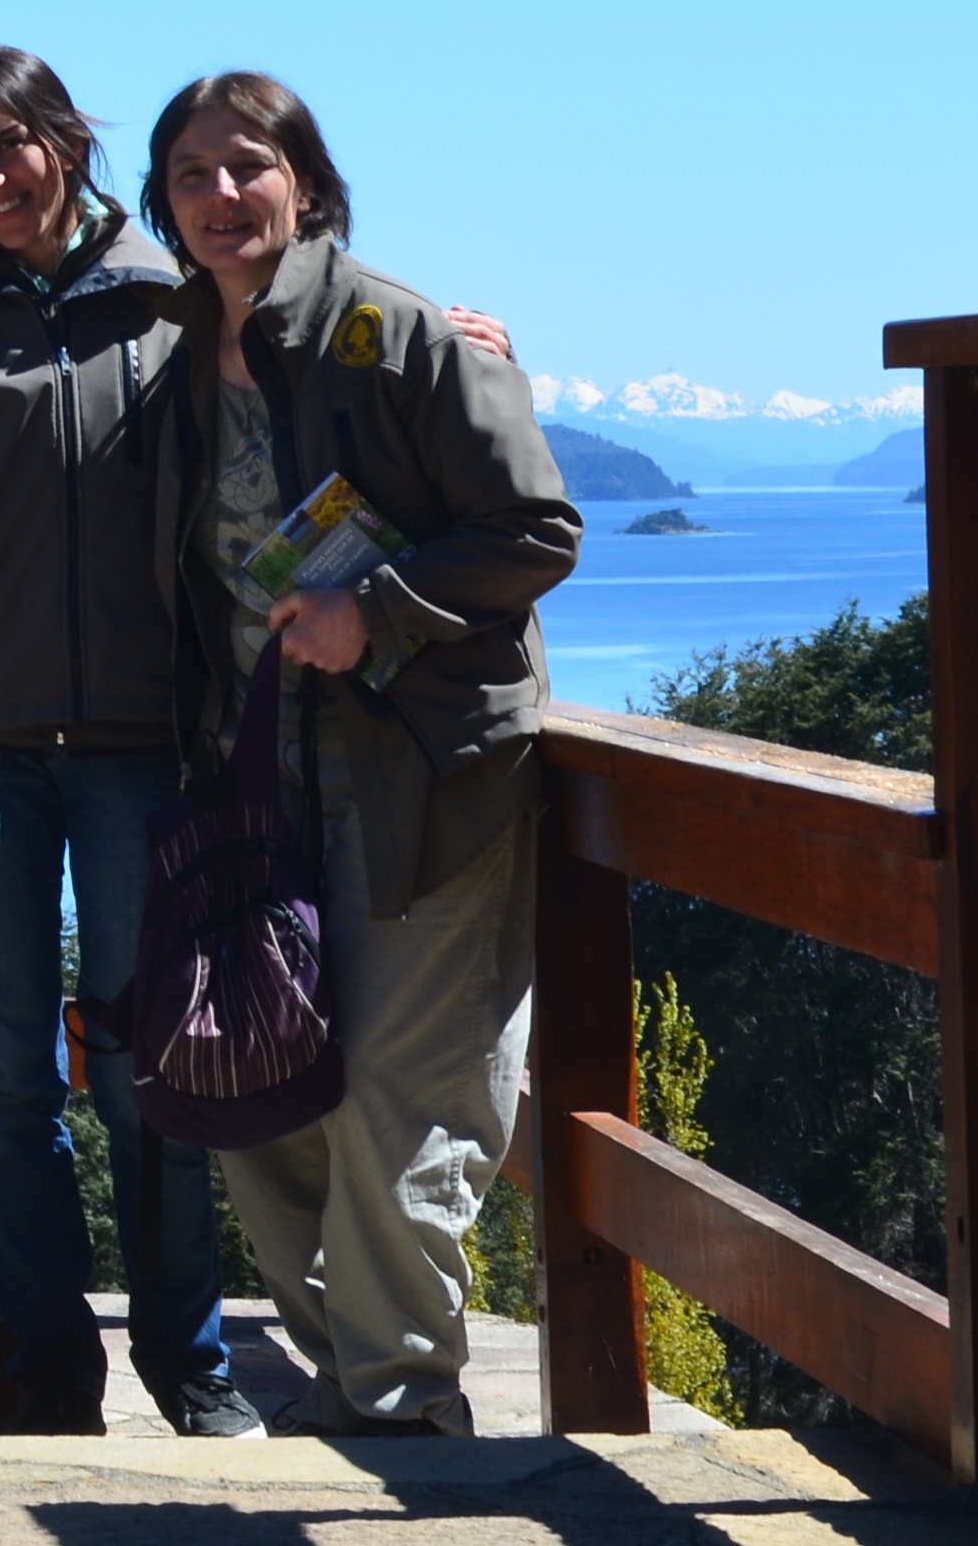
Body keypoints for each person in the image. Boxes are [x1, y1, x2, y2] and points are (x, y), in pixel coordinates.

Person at [146, 71, 575, 1438]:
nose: (221, 195)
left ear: (307, 183)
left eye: (247, 166)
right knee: (254, 1086)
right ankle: (348, 1371)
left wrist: (373, 612)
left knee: (400, 1097)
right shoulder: (172, 360)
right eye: (191, 174)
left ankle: (400, 1411)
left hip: (424, 775)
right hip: (254, 780)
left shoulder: (395, 335)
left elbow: (535, 529)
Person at [0, 48, 256, 1440]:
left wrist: (454, 338)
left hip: (142, 752)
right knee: (6, 1077)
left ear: (68, 141)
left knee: (150, 1072)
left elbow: (310, 388)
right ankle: (49, 1363)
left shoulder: (176, 307)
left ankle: (189, 1363)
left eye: (9, 146)